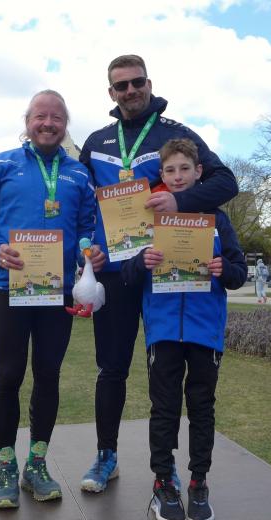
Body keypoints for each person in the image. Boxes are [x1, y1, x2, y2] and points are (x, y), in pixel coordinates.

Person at [78, 54, 238, 493]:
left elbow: (226, 182)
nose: (130, 91)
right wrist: (85, 250)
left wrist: (179, 202)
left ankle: (170, 470)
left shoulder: (176, 134)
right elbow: (81, 204)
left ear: (149, 84)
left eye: (137, 82)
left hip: (166, 273)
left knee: (166, 376)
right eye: (121, 85)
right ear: (111, 92)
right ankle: (106, 456)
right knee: (111, 369)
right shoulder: (95, 141)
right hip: (115, 272)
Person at [0, 89, 105, 510]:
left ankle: (37, 465)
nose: (48, 124)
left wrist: (89, 252)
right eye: (40, 116)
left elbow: (88, 226)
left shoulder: (79, 174)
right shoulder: (1, 164)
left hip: (56, 292)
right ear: (27, 122)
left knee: (48, 376)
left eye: (56, 118)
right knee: (8, 376)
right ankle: (7, 467)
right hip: (9, 287)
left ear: (65, 125)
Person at [122, 139, 247, 520]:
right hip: (162, 331)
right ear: (162, 175)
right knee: (164, 409)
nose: (177, 177)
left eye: (184, 169)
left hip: (205, 331)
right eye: (170, 170)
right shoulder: (148, 218)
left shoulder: (217, 220)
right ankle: (163, 483)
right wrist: (142, 261)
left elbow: (239, 273)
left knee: (202, 407)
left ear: (198, 173)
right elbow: (126, 276)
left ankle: (198, 483)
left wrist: (222, 269)